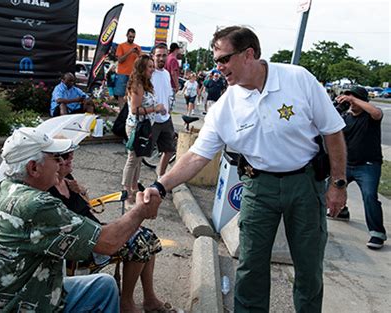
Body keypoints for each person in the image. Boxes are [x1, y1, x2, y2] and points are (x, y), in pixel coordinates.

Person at [144, 26, 347, 312]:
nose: (219, 67)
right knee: (251, 266)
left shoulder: (298, 79)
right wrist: (160, 185)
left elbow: (333, 131)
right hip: (258, 188)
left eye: (224, 59)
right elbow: (196, 156)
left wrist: (337, 184)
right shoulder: (226, 106)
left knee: (309, 266)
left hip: (304, 184)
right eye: (217, 61)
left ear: (249, 54)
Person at [0, 127, 161, 312]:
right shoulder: (37, 204)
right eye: (55, 158)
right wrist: (139, 211)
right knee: (103, 288)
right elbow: (108, 243)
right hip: (18, 306)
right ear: (33, 167)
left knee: (103, 285)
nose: (60, 164)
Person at [48, 147, 177, 313]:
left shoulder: (67, 180)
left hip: (96, 229)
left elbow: (88, 208)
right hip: (83, 242)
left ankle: (149, 298)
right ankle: (126, 303)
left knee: (146, 236)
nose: (71, 157)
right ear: (53, 161)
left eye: (71, 153)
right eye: (64, 155)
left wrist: (81, 191)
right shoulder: (48, 191)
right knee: (140, 241)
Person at [333, 86, 387, 249]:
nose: (350, 100)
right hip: (347, 165)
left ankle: (377, 233)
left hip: (368, 165)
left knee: (370, 196)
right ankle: (342, 211)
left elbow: (377, 113)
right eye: (347, 96)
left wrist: (354, 99)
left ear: (362, 100)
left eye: (354, 97)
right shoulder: (345, 117)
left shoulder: (370, 117)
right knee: (328, 189)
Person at [122, 55, 166, 204]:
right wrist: (155, 108)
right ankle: (126, 191)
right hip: (136, 127)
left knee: (139, 159)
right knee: (133, 159)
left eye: (153, 66)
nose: (153, 69)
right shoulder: (137, 84)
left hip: (145, 126)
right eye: (149, 66)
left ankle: (134, 188)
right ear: (141, 68)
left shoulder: (145, 83)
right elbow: (135, 109)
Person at [150, 43, 176, 179]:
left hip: (166, 119)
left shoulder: (166, 74)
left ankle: (160, 177)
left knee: (169, 150)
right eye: (158, 55)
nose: (161, 58)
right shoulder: (149, 73)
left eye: (164, 55)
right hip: (152, 120)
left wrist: (169, 108)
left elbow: (167, 94)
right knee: (141, 153)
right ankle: (132, 184)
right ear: (153, 56)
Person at [115, 28, 142, 108]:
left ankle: (129, 111)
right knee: (121, 94)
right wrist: (129, 52)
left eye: (133, 37)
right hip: (122, 73)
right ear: (127, 35)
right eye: (130, 36)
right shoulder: (121, 46)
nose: (131, 39)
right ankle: (121, 112)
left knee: (132, 94)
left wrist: (137, 53)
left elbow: (141, 61)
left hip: (133, 74)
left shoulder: (138, 47)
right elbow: (120, 60)